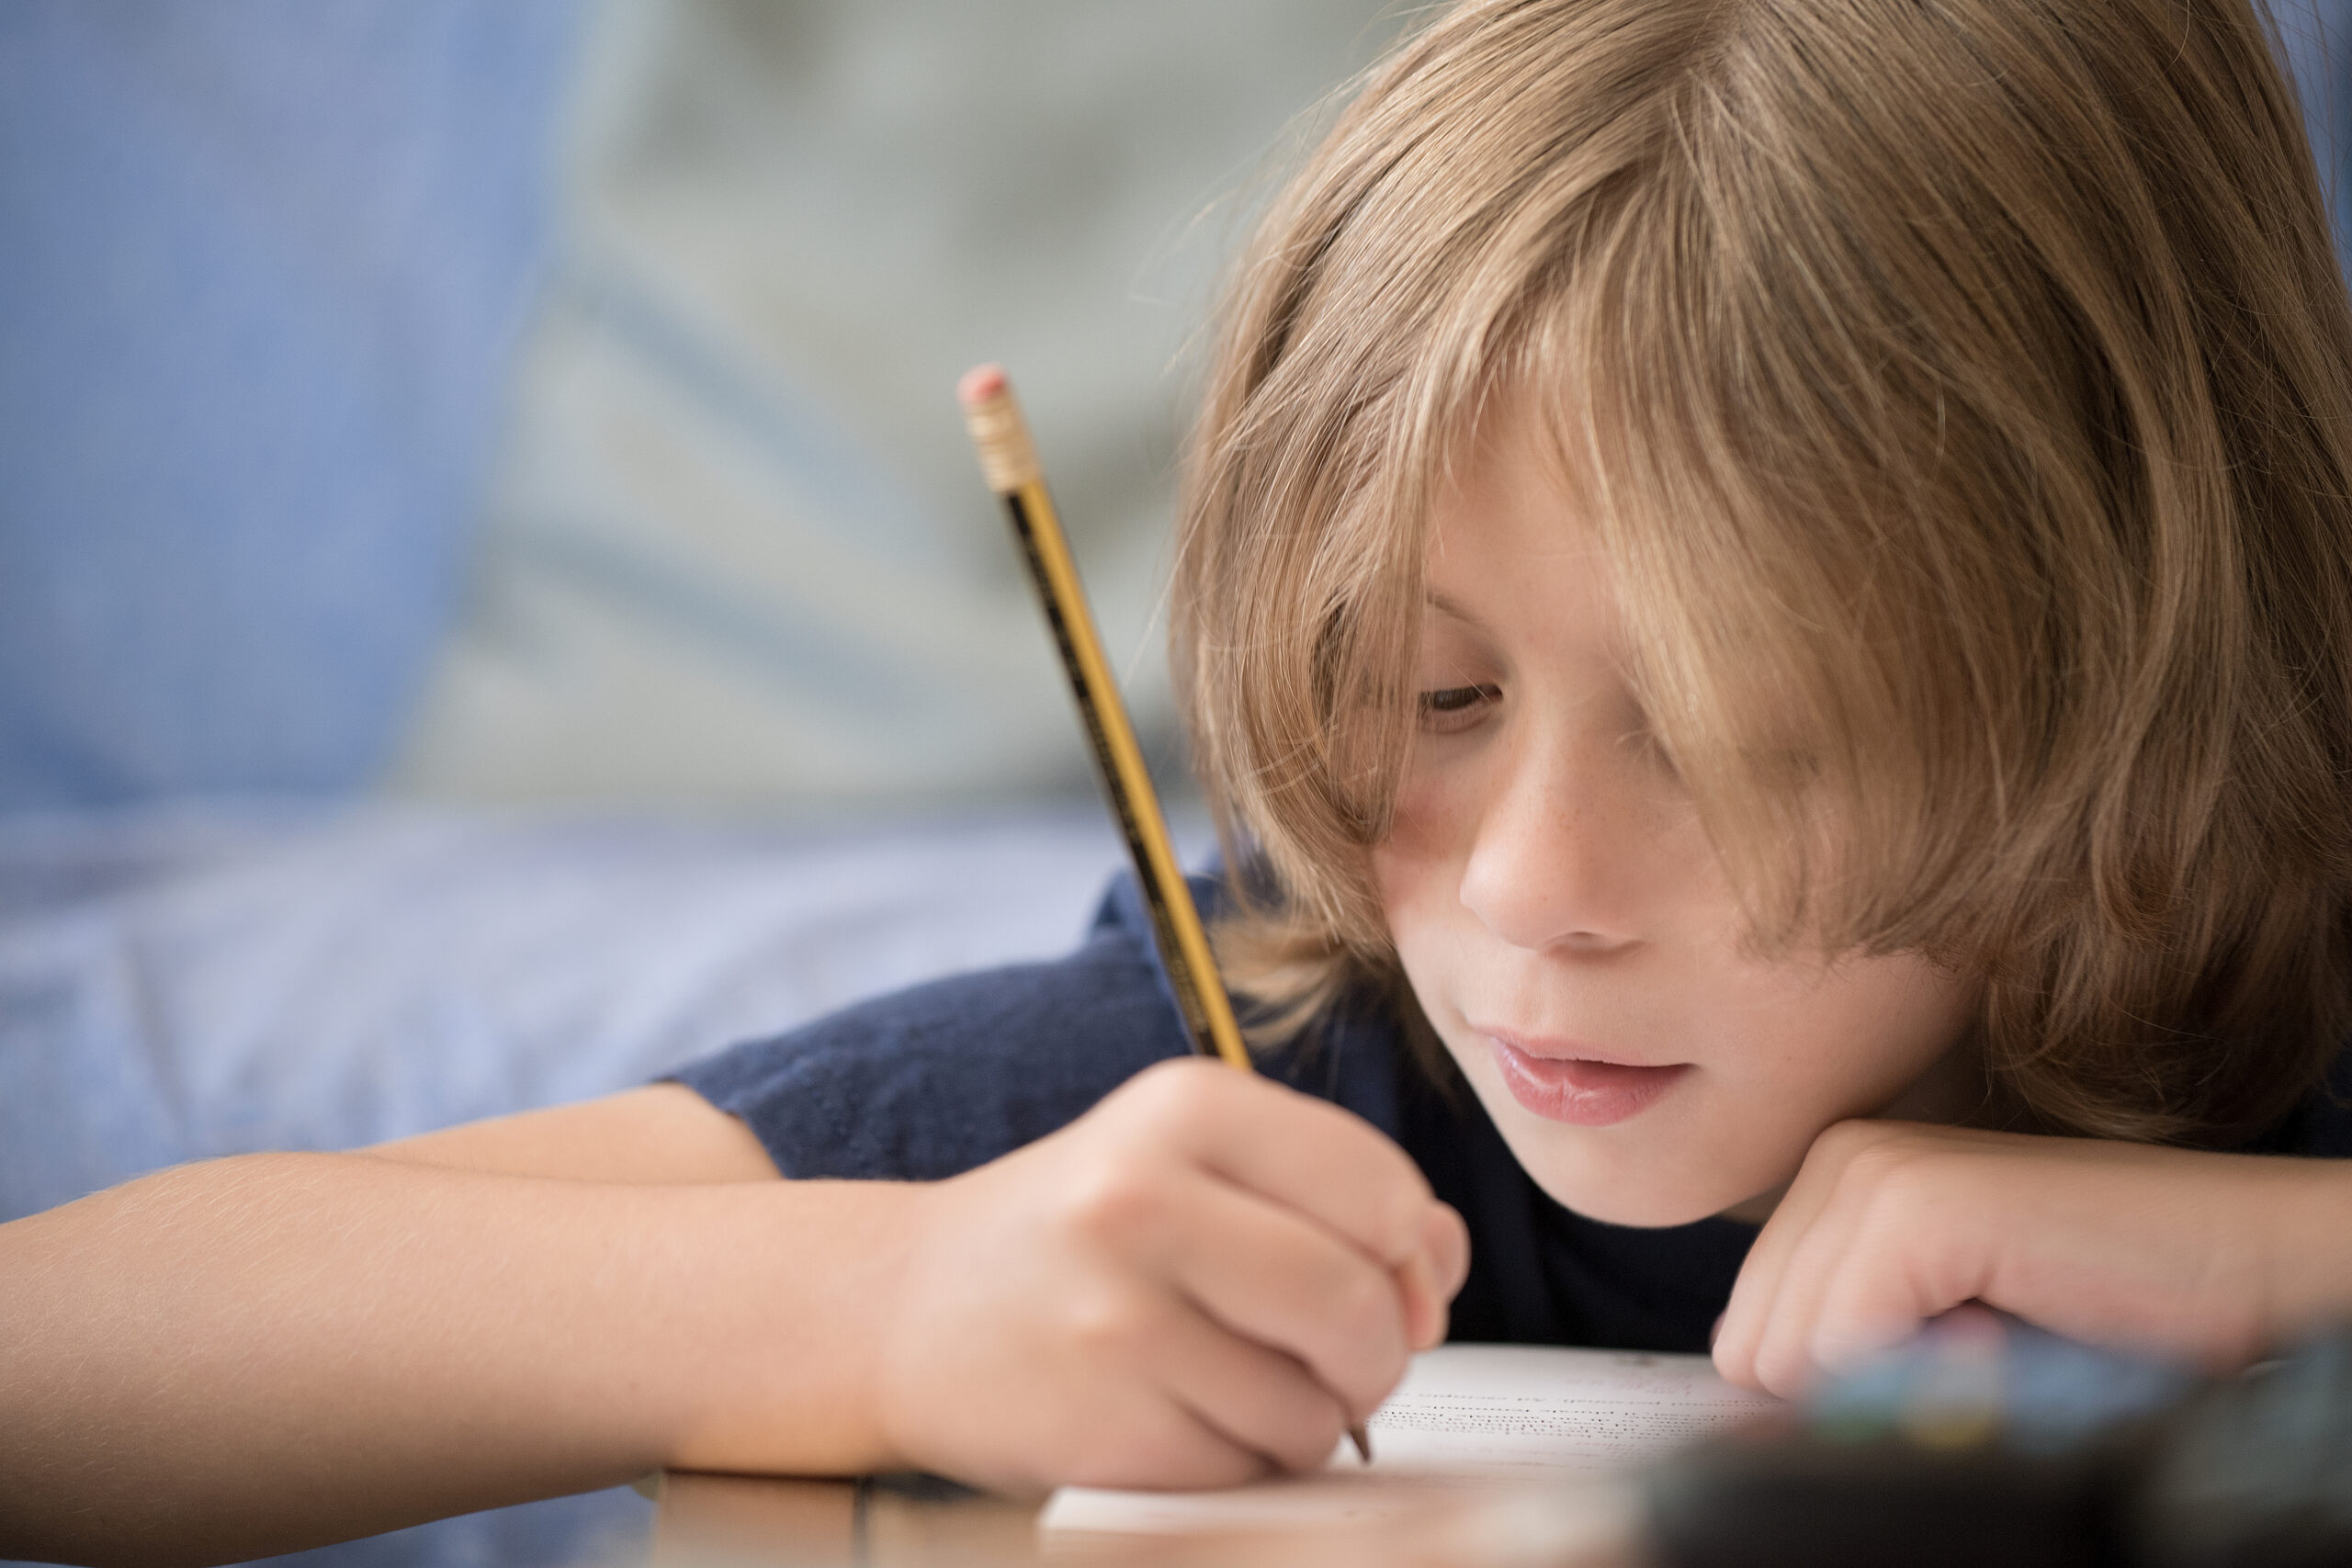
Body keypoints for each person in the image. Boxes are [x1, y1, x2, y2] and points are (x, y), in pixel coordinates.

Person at [8, 0, 2352, 1562]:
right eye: (1427, 697)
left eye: (1744, 746)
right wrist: (887, 1296)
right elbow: (74, 1342)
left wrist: (2286, 1263)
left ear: (2135, 664)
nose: (1529, 892)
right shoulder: (1311, 1043)